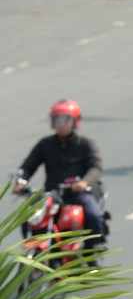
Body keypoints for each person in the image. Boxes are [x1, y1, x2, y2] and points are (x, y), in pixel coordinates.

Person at [14, 100, 106, 248]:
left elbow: (96, 168)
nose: (60, 124)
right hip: (52, 194)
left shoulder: (85, 144)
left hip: (78, 194)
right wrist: (21, 181)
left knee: (93, 215)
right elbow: (28, 166)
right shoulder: (45, 144)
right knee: (29, 215)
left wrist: (84, 182)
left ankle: (92, 251)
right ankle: (33, 246)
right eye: (57, 119)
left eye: (65, 119)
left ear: (75, 122)